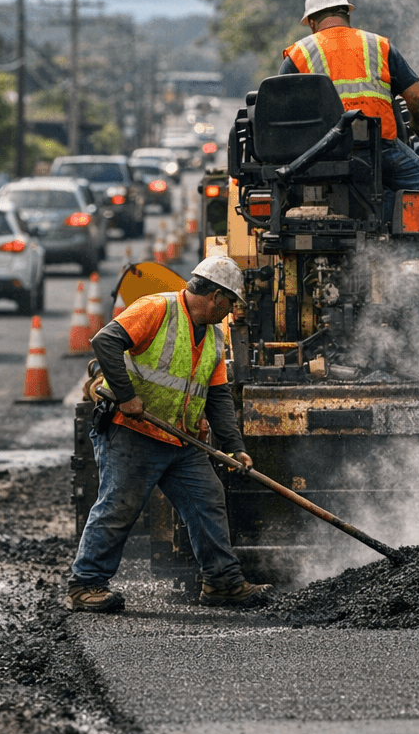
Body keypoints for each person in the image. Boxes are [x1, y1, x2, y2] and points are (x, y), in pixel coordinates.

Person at [68, 255, 274, 612]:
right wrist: (128, 397)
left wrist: (234, 446)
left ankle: (222, 582)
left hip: (181, 439)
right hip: (132, 431)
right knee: (119, 505)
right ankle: (86, 585)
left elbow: (218, 396)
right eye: (231, 304)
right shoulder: (156, 309)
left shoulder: (213, 335)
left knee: (207, 503)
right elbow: (105, 342)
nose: (230, 312)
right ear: (216, 297)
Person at [280, 0, 419, 222]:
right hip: (378, 148)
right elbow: (417, 97)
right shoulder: (379, 45)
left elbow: (284, 112)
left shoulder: (298, 54)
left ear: (311, 22)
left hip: (321, 155)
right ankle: (418, 243)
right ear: (348, 15)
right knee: (416, 176)